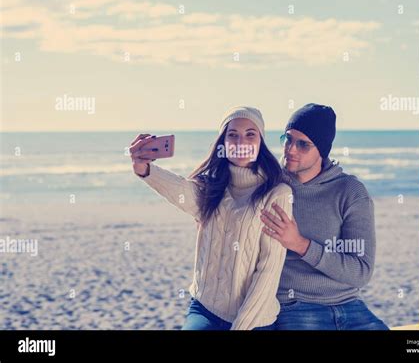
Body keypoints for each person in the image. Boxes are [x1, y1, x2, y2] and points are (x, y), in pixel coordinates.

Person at [130, 106, 292, 330]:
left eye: (250, 135)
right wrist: (144, 169)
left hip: (254, 320)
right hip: (205, 309)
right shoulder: (212, 188)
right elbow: (180, 191)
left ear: (260, 142)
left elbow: (268, 270)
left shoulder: (278, 194)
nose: (240, 142)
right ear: (223, 143)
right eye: (232, 135)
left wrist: (240, 326)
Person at [260, 103, 389, 330]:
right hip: (296, 305)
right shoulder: (271, 185)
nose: (290, 149)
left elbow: (361, 271)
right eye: (288, 139)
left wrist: (301, 245)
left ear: (322, 150)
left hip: (349, 305)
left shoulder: (350, 191)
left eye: (303, 145)